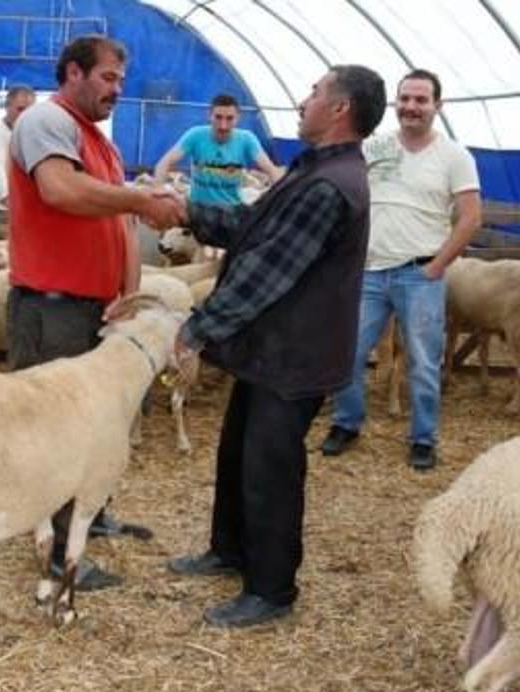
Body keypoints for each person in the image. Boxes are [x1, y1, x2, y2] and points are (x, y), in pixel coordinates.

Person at [165, 65, 388, 628]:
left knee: (272, 467)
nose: (303, 99)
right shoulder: (312, 169)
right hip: (272, 350)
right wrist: (187, 212)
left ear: (339, 110)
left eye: (315, 92)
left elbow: (266, 269)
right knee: (239, 449)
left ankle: (271, 588)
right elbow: (251, 226)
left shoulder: (331, 186)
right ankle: (229, 549)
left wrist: (197, 327)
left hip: (296, 355)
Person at [6, 34, 184, 591]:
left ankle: (92, 515)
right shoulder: (44, 122)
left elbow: (119, 225)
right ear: (74, 73)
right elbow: (59, 191)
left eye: (121, 81)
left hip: (97, 308)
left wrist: (128, 294)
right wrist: (136, 197)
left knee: (99, 428)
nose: (117, 90)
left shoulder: (99, 143)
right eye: (108, 78)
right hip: (52, 307)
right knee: (59, 430)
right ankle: (59, 552)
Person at [320, 68, 482, 471]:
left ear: (437, 107)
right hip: (370, 272)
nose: (411, 107)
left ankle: (423, 438)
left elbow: (470, 218)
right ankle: (346, 422)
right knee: (349, 353)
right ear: (396, 103)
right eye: (405, 99)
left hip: (419, 273)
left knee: (423, 361)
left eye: (421, 100)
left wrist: (438, 266)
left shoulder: (455, 157)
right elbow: (348, 193)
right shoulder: (374, 148)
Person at [152, 94, 283, 205]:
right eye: (218, 117)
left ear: (238, 118)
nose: (223, 125)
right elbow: (165, 162)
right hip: (199, 209)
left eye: (229, 118)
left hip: (231, 212)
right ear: (210, 115)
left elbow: (272, 170)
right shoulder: (195, 135)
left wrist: (281, 198)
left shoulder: (247, 139)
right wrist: (158, 189)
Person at [0, 85, 36, 206]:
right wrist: (8, 198)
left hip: (21, 203)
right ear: (7, 107)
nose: (25, 114)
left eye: (30, 110)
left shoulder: (28, 132)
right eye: (20, 109)